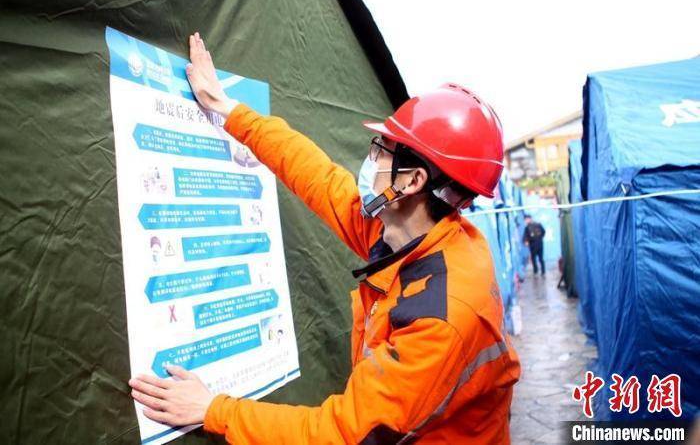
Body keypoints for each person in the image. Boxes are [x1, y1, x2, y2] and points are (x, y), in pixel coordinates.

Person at [129, 32, 520, 444]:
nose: (370, 159)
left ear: (411, 180)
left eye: (382, 150)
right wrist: (229, 110)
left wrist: (213, 410)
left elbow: (342, 435)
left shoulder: (441, 315)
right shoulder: (411, 235)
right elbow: (317, 176)